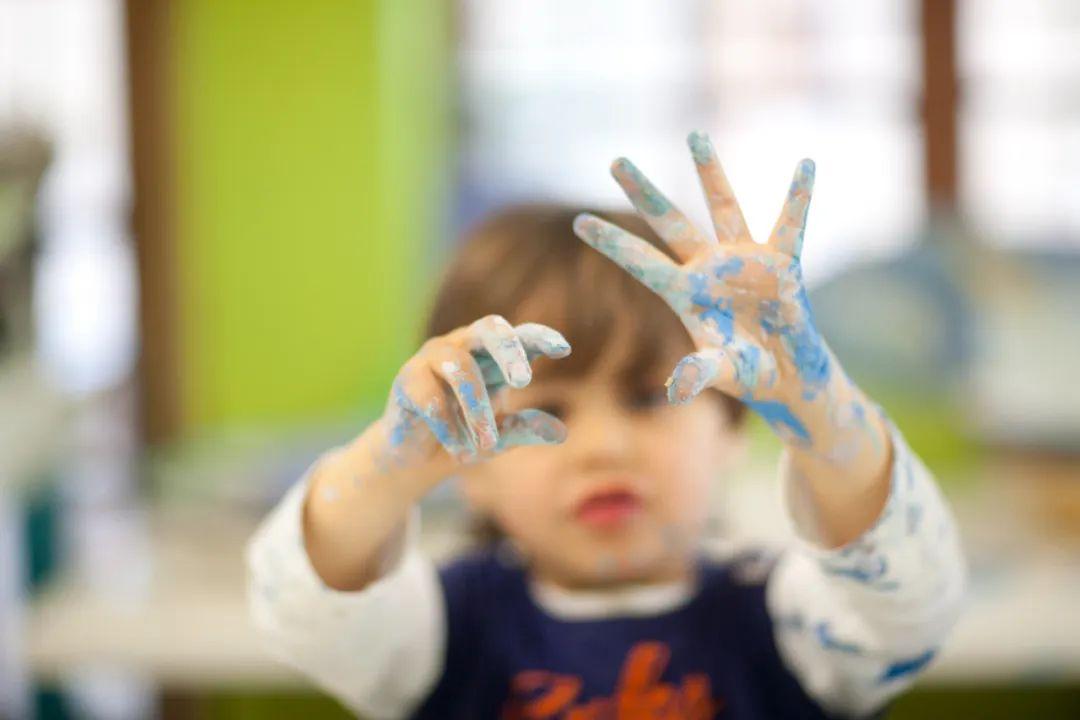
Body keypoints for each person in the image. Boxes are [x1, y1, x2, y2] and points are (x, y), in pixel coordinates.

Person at [246, 132, 966, 719]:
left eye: (649, 399)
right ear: (468, 465)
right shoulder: (435, 632)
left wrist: (818, 408)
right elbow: (303, 615)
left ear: (731, 429)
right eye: (548, 412)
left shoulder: (793, 624)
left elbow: (915, 605)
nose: (605, 447)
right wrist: (387, 467)